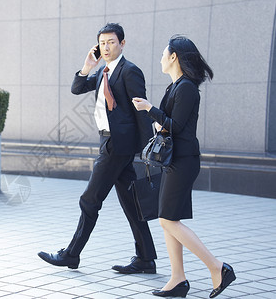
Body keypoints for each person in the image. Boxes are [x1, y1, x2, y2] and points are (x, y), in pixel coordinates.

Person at [38, 23, 158, 274]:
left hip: (117, 146)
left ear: (122, 44)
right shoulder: (104, 70)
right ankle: (146, 258)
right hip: (109, 143)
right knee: (130, 202)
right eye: (102, 43)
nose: (106, 47)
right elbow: (77, 88)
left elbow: (141, 109)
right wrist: (87, 66)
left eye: (111, 42)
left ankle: (72, 254)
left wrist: (145, 149)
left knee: (90, 200)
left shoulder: (129, 71)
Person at [132, 35, 236, 298]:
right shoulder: (176, 86)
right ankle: (178, 279)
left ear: (174, 57)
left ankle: (218, 267)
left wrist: (149, 109)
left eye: (163, 54)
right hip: (174, 160)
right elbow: (169, 124)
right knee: (168, 220)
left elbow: (175, 126)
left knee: (168, 219)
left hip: (183, 161)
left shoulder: (186, 87)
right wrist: (157, 119)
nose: (160, 58)